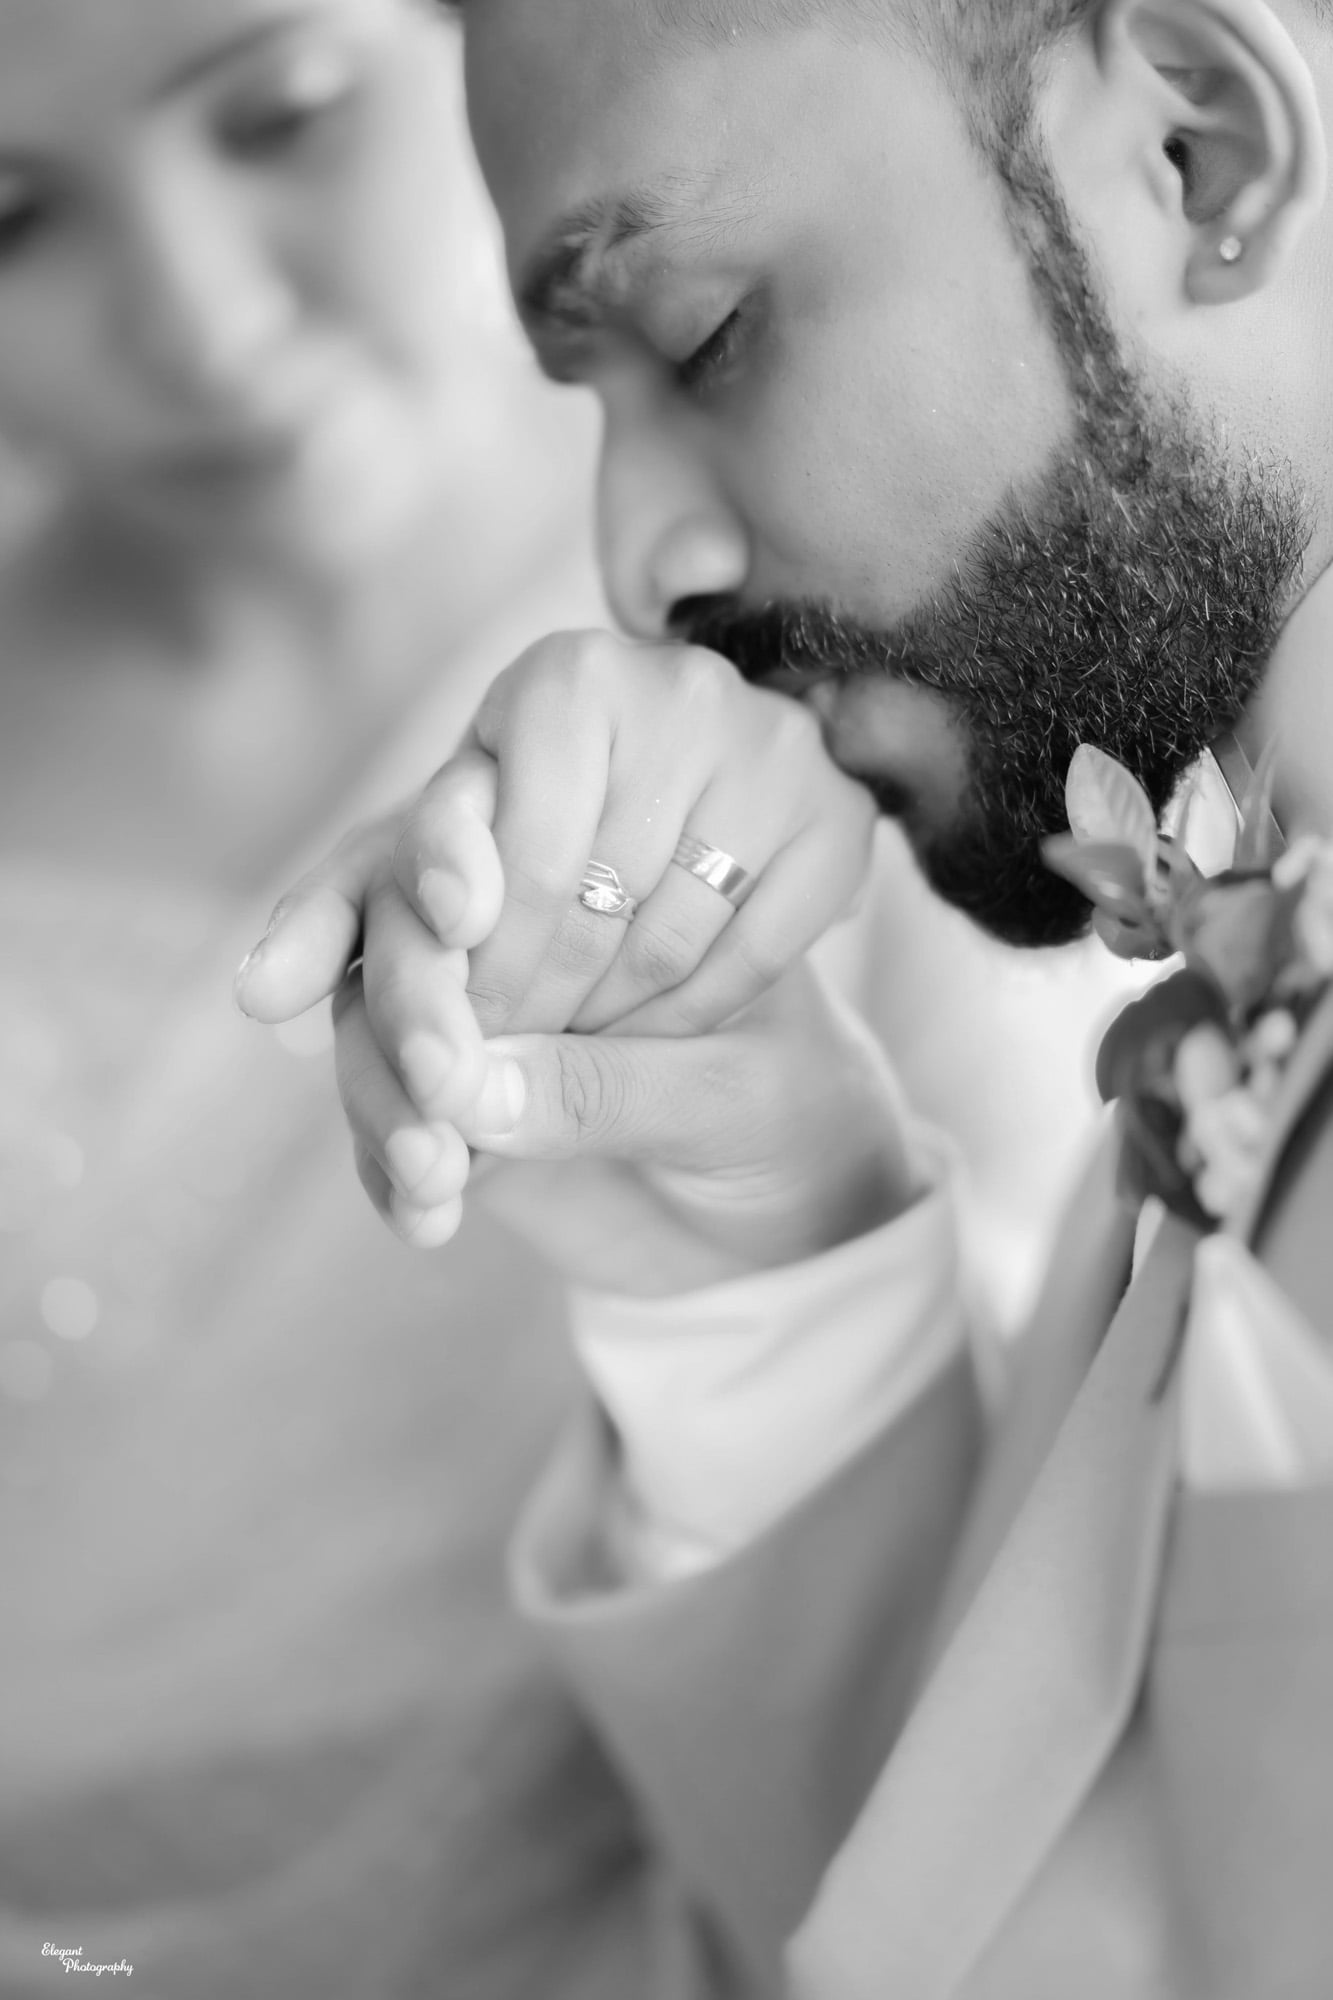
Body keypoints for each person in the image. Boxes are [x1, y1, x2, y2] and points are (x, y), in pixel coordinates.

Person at [246, 0, 1333, 1993]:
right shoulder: (1222, 1025)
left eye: (703, 338)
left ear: (1198, 152)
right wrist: (766, 1262)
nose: (634, 560)